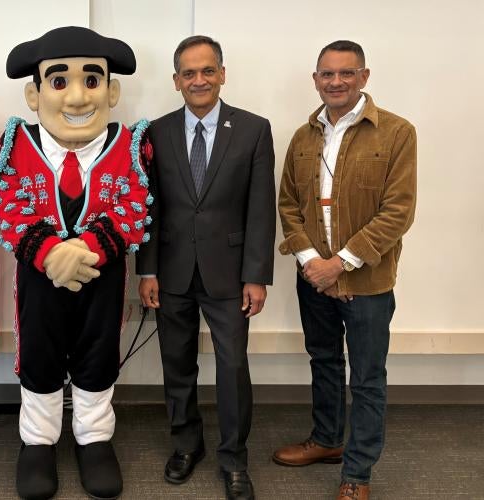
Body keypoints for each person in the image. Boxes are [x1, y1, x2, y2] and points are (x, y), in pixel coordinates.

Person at [0, 26, 151, 500]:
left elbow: (135, 206)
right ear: (34, 93)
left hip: (104, 278)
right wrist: (50, 253)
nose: (78, 97)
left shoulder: (129, 142)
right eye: (59, 83)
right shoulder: (16, 142)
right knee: (39, 354)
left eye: (92, 81)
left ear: (112, 89)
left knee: (98, 351)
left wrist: (85, 250)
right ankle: (38, 441)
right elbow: (7, 204)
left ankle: (94, 437)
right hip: (38, 280)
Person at [274, 40, 417, 500]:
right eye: (327, 74)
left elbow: (398, 211)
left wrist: (341, 264)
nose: (336, 82)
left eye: (346, 73)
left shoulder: (397, 132)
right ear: (315, 80)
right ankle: (327, 441)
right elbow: (289, 205)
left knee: (368, 378)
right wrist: (312, 263)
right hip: (312, 276)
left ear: (364, 77)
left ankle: (357, 473)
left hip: (368, 282)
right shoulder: (303, 135)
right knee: (325, 362)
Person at [136, 35, 275, 500]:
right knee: (177, 365)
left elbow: (261, 209)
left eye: (207, 70)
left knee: (233, 368)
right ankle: (186, 445)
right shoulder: (155, 132)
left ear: (222, 74)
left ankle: (234, 460)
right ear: (176, 80)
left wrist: (256, 275)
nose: (199, 80)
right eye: (189, 73)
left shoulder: (254, 130)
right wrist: (146, 270)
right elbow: (148, 207)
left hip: (230, 275)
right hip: (172, 271)